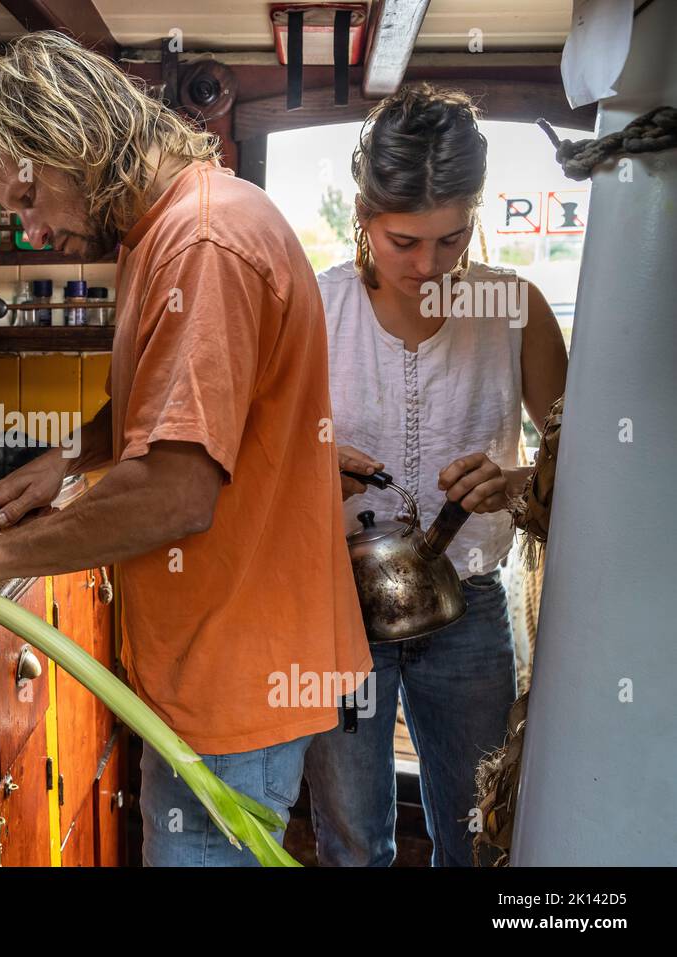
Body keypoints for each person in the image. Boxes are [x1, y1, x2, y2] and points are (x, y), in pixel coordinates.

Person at [0, 32, 371, 866]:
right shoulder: (174, 226)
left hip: (233, 680)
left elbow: (177, 491)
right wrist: (68, 457)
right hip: (214, 669)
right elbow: (165, 400)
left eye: (30, 198)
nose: (32, 231)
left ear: (73, 140)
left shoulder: (202, 245)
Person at [303, 84, 569, 867]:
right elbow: (255, 462)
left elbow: (576, 465)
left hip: (471, 610)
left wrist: (519, 484)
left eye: (452, 239)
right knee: (352, 840)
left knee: (481, 832)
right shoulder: (315, 310)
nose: (429, 265)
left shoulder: (516, 307)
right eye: (404, 241)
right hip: (339, 610)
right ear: (362, 212)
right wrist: (310, 470)